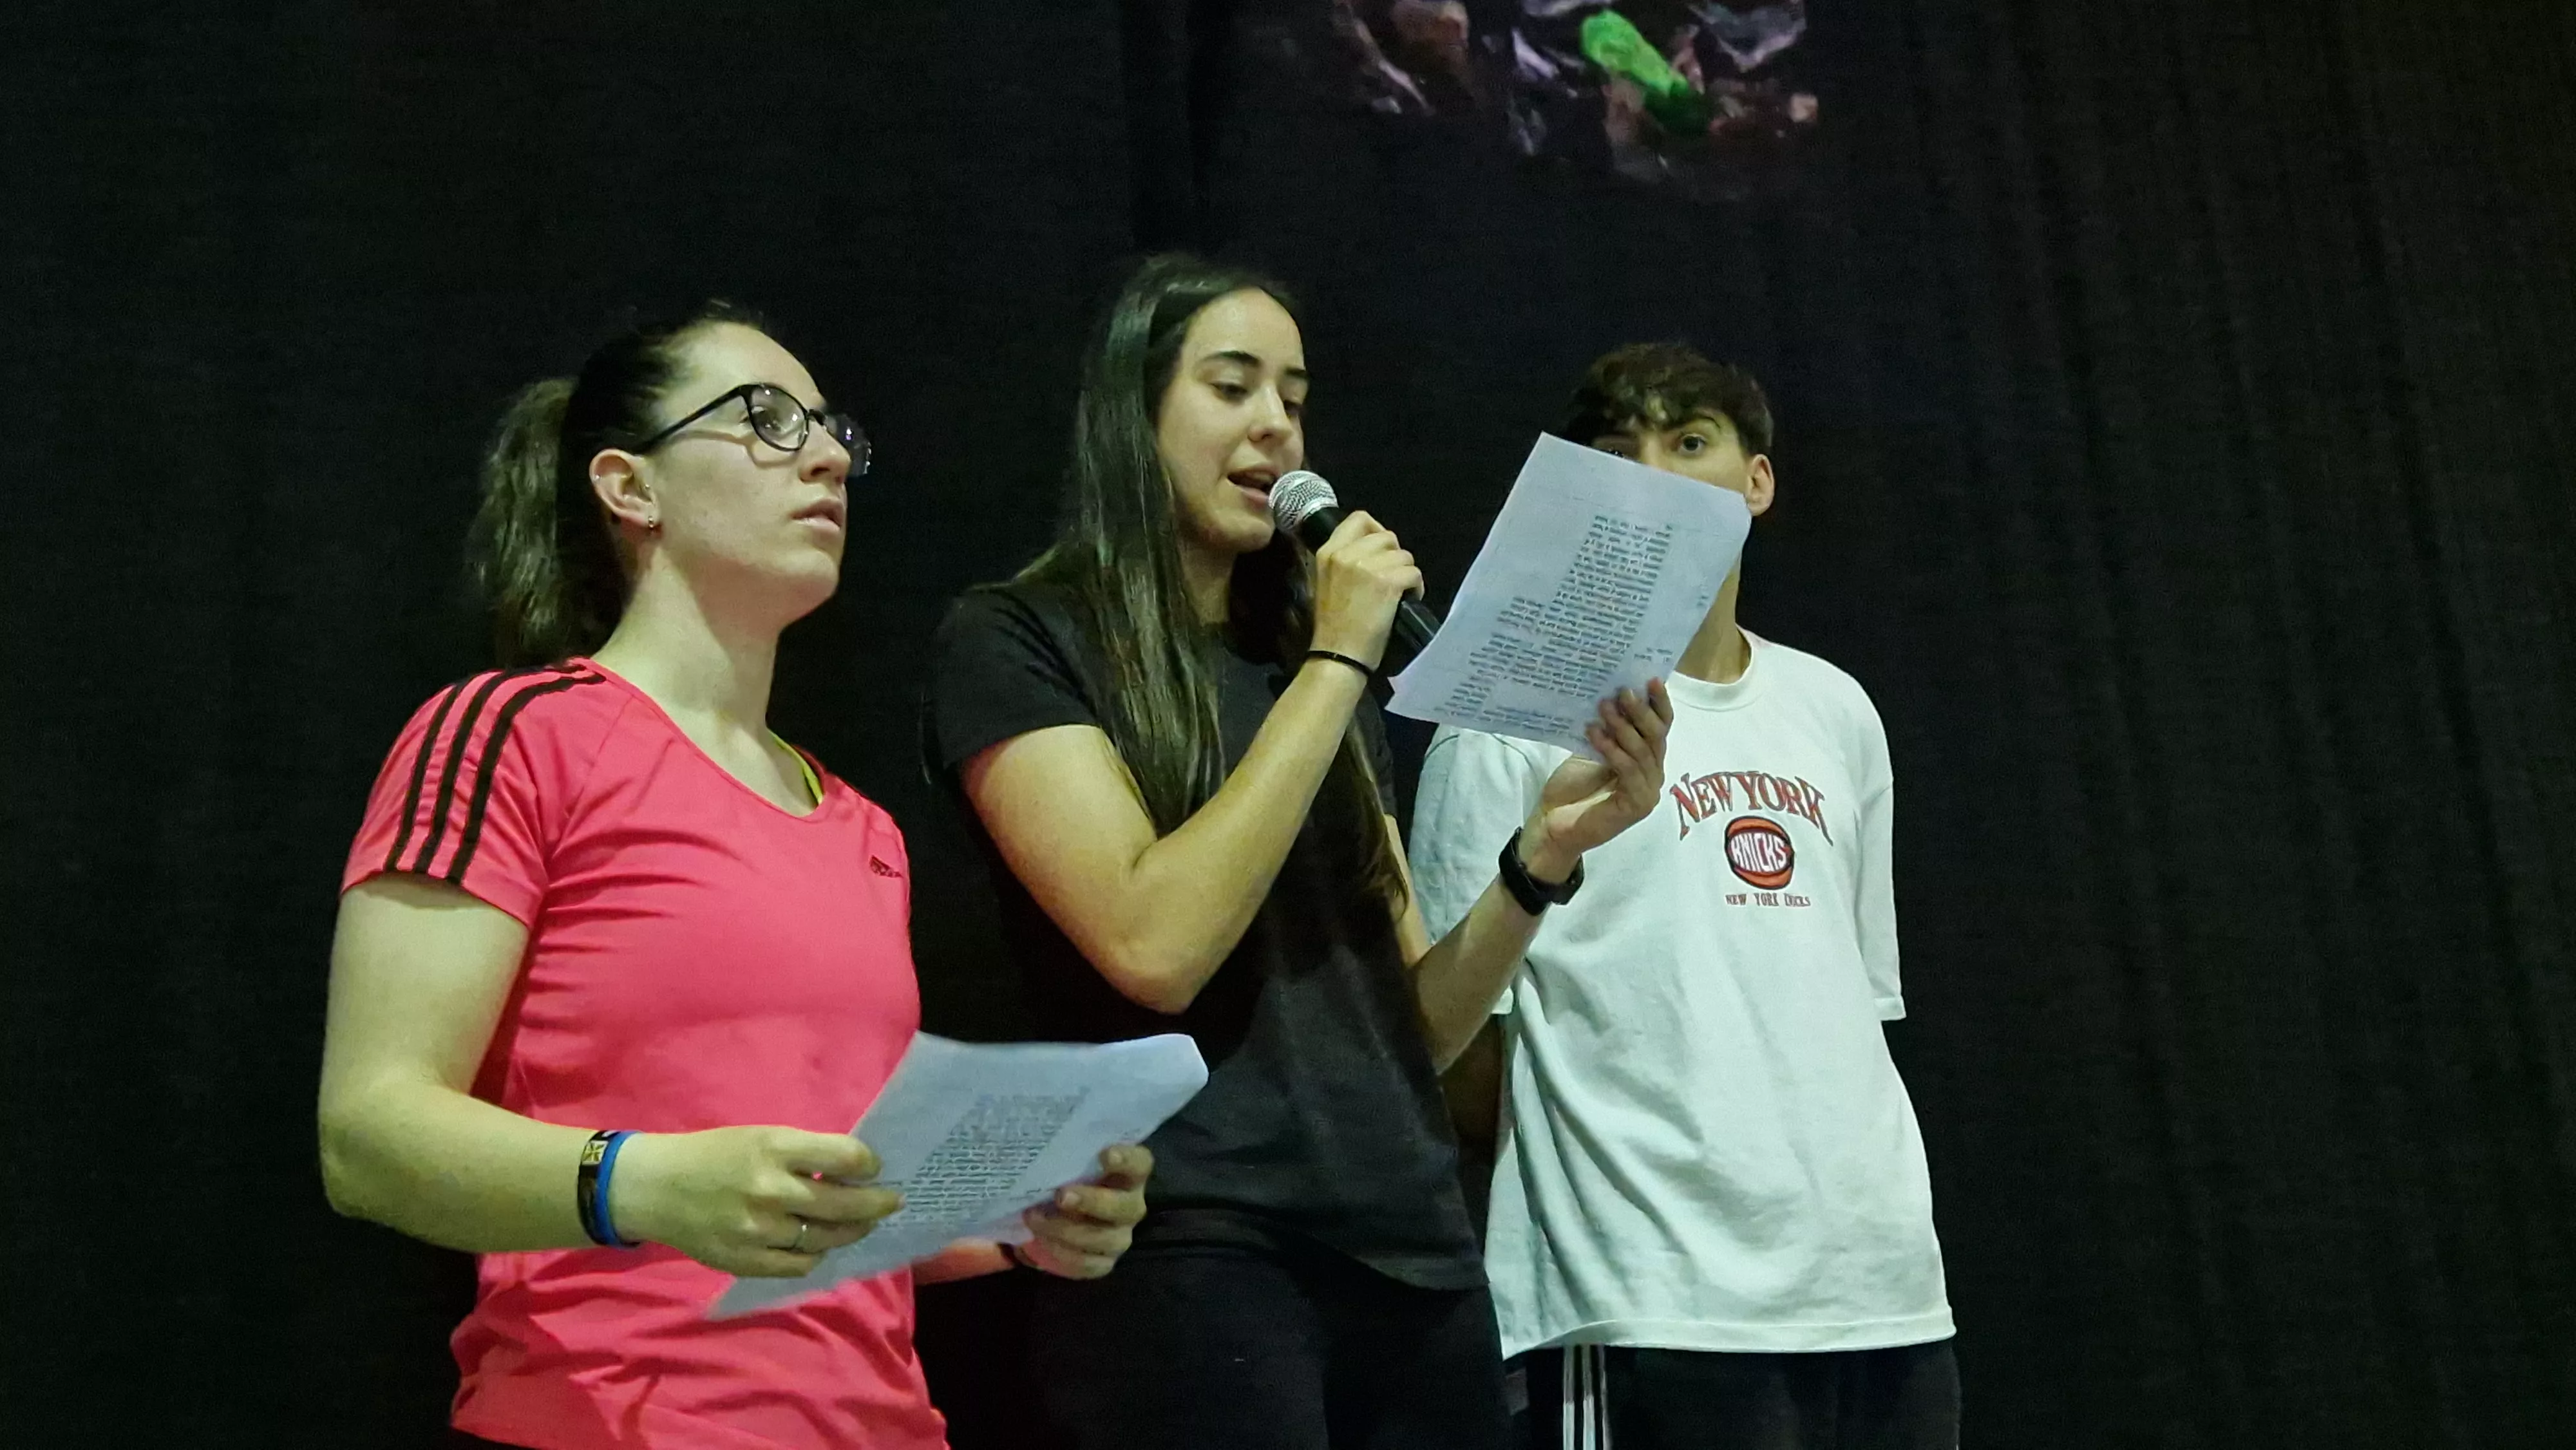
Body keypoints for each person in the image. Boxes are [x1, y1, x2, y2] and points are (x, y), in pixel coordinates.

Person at [316, 303, 1151, 1450]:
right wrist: (645, 1187)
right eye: (763, 419)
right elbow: (366, 1137)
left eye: (829, 432)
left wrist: (1015, 1221)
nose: (823, 456)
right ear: (630, 487)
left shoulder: (860, 825)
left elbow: (820, 1207)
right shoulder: (514, 735)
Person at [920, 254, 1674, 1450]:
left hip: (1412, 1249)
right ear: (1135, 409)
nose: (1275, 425)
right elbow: (1149, 944)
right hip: (1196, 1247)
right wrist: (1337, 663)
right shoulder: (1020, 637)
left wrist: (1538, 864)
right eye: (1231, 387)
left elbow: (1413, 1030)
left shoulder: (1309, 667)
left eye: (1293, 395)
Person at [1410, 343, 1959, 1450]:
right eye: (1620, 455)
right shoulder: (1503, 722)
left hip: (1880, 1290)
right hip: (1651, 1295)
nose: (1656, 475)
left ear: (1757, 482)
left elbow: (1854, 1009)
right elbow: (1450, 1053)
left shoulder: (1834, 707)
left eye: (1690, 443)